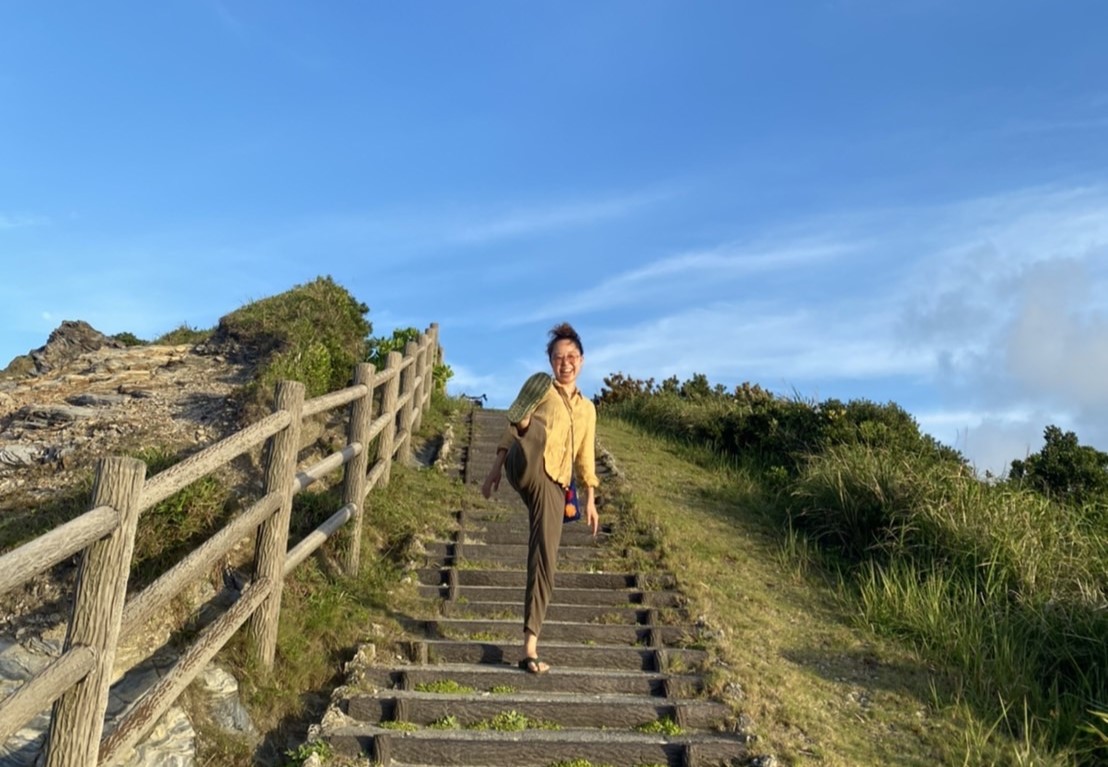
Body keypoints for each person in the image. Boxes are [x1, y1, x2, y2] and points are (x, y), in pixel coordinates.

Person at [481, 322, 599, 674]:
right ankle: (524, 421)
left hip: (554, 483)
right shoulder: (544, 389)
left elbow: (585, 457)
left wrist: (590, 498)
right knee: (533, 433)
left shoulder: (588, 409)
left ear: (582, 360)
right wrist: (494, 471)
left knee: (545, 556)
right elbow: (506, 435)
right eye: (559, 357)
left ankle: (529, 646)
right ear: (550, 362)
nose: (566, 363)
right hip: (524, 463)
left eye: (571, 356)